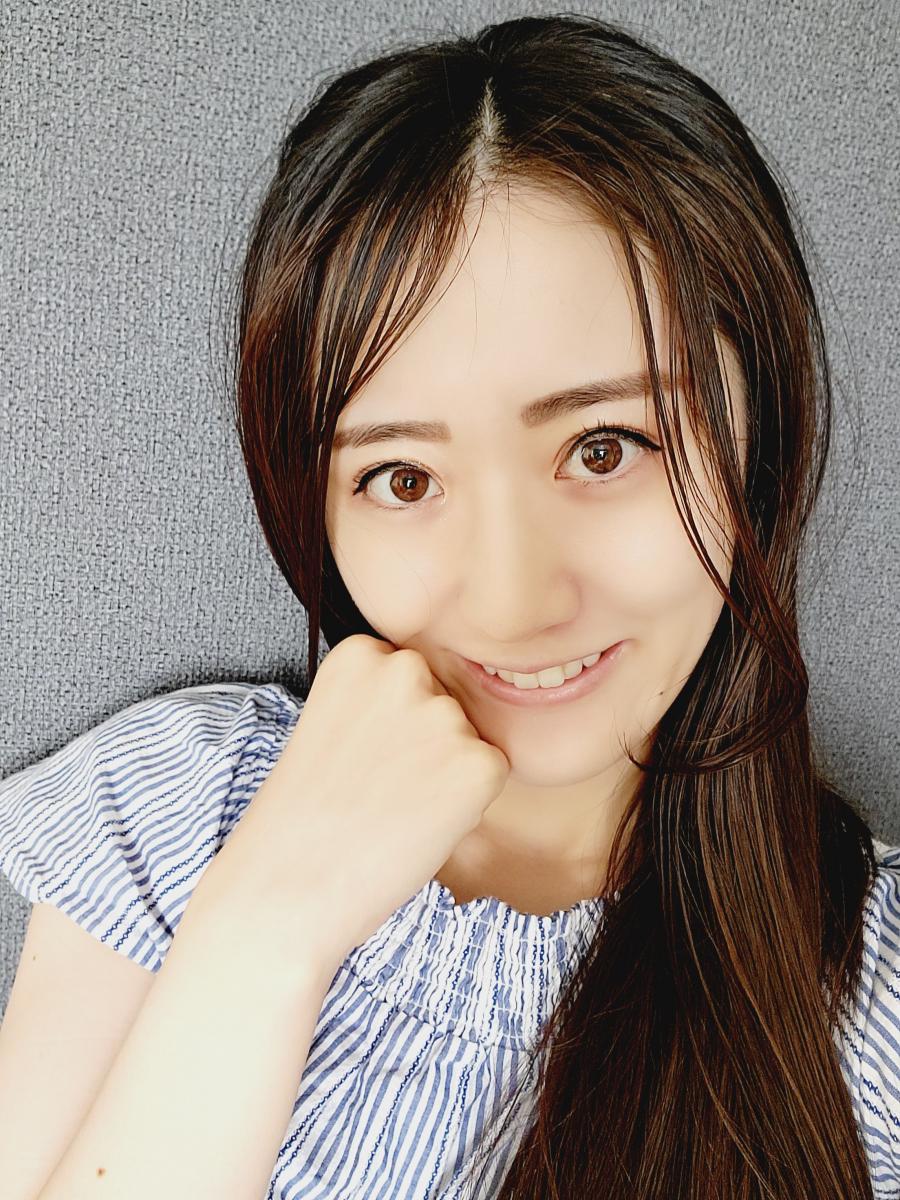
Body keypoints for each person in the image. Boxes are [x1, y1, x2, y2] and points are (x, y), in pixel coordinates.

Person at [0, 12, 895, 1200]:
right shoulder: (173, 816)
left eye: (606, 447)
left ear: (759, 442)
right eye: (404, 479)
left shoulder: (874, 1000)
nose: (515, 599)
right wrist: (266, 929)